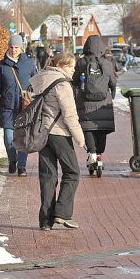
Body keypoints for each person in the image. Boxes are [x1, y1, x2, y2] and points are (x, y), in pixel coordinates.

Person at [29, 52, 87, 230]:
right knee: (72, 172)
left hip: (42, 132)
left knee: (48, 176)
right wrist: (80, 139)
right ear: (61, 66)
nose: (73, 70)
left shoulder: (41, 79)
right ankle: (62, 213)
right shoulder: (62, 84)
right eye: (70, 66)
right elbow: (69, 115)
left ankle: (45, 221)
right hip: (59, 133)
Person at [0, 34, 38, 176]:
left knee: (24, 139)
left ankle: (22, 167)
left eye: (16, 47)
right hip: (7, 107)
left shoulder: (29, 63)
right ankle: (12, 160)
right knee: (8, 138)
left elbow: (36, 83)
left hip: (25, 107)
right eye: (11, 47)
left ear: (21, 48)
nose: (13, 50)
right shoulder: (2, 65)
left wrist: (36, 99)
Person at [72, 37, 117, 173]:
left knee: (88, 128)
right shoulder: (108, 63)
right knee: (101, 129)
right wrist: (111, 97)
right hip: (104, 101)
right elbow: (113, 83)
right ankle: (99, 155)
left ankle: (91, 154)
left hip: (85, 101)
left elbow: (74, 81)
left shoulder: (81, 62)